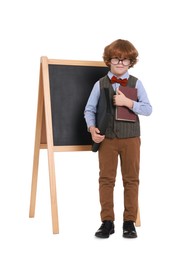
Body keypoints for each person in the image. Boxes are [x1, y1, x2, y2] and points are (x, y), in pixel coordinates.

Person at [84, 39, 152, 239]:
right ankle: (107, 222)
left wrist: (128, 102)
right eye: (116, 59)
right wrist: (92, 128)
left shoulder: (136, 83)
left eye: (125, 60)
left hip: (131, 139)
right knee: (106, 180)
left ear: (131, 62)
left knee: (131, 179)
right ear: (109, 61)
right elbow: (89, 109)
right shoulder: (100, 84)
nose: (120, 63)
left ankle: (129, 222)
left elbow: (148, 109)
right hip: (107, 139)